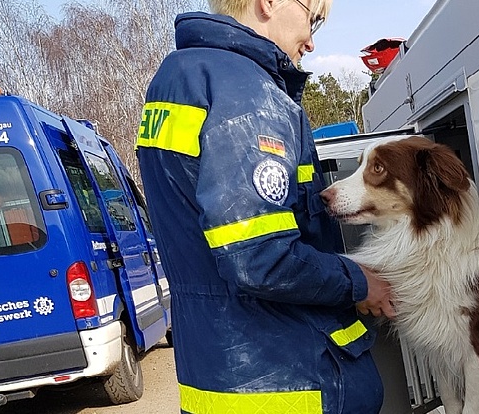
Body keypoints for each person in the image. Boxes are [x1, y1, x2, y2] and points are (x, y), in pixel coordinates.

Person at [135, 1, 394, 413]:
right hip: (288, 382)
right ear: (269, 3)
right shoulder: (244, 93)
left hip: (223, 377)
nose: (310, 41)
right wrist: (359, 281)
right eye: (314, 18)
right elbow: (259, 258)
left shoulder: (182, 78)